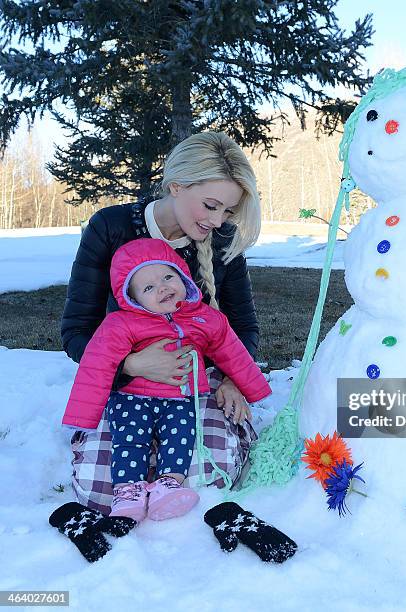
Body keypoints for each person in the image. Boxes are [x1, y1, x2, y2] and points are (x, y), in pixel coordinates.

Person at [61, 131, 264, 514]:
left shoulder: (222, 239)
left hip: (196, 385)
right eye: (210, 205)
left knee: (209, 479)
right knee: (99, 490)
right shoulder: (111, 226)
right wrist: (130, 365)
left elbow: (242, 327)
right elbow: (75, 331)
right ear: (175, 186)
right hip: (125, 385)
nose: (218, 220)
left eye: (228, 211)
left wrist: (234, 378)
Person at [62, 238, 271, 522]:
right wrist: (83, 417)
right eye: (148, 287)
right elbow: (96, 366)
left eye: (168, 276)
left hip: (180, 397)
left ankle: (168, 485)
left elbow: (230, 350)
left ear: (183, 276)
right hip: (132, 398)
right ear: (133, 298)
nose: (162, 287)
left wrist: (253, 388)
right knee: (130, 441)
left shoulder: (203, 318)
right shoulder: (120, 324)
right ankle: (127, 492)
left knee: (181, 438)